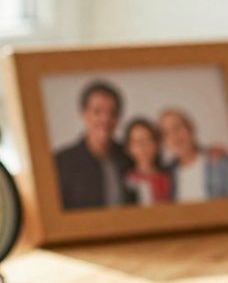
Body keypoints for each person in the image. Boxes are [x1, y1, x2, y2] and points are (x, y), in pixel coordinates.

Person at [53, 81, 134, 210]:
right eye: (97, 112)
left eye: (112, 113)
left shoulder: (129, 157)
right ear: (83, 114)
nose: (105, 119)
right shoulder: (61, 163)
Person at [157, 108, 228, 202]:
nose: (174, 136)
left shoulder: (221, 162)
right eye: (166, 133)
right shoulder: (167, 174)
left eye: (177, 127)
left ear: (191, 129)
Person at [122, 118, 172, 206]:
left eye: (147, 140)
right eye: (137, 142)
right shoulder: (125, 179)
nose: (142, 147)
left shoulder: (168, 177)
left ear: (157, 144)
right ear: (129, 148)